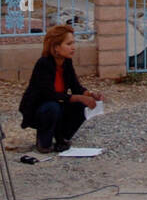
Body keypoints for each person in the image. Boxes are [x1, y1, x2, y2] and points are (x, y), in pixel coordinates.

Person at [18, 25, 102, 153]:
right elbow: (48, 94)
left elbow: (76, 86)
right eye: (68, 44)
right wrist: (79, 97)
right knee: (53, 106)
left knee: (80, 104)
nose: (73, 47)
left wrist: (90, 94)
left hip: (58, 105)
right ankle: (43, 140)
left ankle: (61, 137)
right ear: (56, 47)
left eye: (73, 43)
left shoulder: (66, 62)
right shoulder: (44, 64)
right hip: (40, 109)